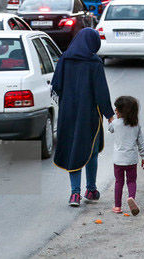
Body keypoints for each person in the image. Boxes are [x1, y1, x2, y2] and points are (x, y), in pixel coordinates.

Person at [51, 28, 114, 207]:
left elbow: (57, 86)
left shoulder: (64, 59)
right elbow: (101, 92)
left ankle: (74, 194)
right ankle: (91, 189)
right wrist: (109, 114)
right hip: (89, 115)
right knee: (90, 151)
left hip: (68, 113)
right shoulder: (94, 62)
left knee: (73, 150)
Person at [108, 96, 144, 215]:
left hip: (118, 160)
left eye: (117, 109)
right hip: (131, 159)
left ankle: (117, 207)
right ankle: (131, 198)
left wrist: (110, 120)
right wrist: (143, 157)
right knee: (131, 181)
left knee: (119, 182)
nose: (115, 111)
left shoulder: (115, 123)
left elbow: (110, 129)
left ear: (122, 111)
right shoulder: (136, 125)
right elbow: (140, 142)